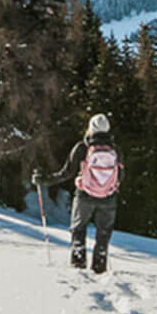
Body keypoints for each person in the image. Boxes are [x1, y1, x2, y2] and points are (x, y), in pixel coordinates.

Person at [52, 114, 122, 274]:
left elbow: (67, 173)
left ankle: (78, 265)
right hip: (108, 197)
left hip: (84, 195)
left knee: (78, 229)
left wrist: (44, 180)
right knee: (103, 233)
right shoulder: (115, 150)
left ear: (91, 128)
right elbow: (121, 175)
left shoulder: (82, 147)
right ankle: (99, 267)